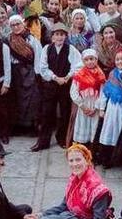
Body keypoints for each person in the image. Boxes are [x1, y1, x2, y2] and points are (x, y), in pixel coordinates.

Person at [33, 23, 82, 151]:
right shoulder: (47, 49)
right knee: (47, 113)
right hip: (51, 85)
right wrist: (55, 77)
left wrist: (67, 77)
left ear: (65, 36)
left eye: (62, 35)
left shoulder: (71, 49)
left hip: (65, 85)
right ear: (52, 37)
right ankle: (43, 141)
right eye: (57, 34)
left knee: (65, 112)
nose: (59, 37)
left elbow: (78, 66)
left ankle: (62, 138)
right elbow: (43, 67)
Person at [34, 143, 112, 219]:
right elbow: (64, 206)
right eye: (71, 161)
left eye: (78, 160)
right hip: (69, 215)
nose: (74, 164)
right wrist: (40, 215)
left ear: (87, 160)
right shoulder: (74, 179)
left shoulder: (98, 191)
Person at [97, 49, 122, 167]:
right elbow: (106, 92)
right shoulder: (112, 74)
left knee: (121, 131)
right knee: (110, 130)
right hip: (112, 107)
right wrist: (102, 108)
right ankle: (106, 158)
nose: (120, 61)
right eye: (118, 59)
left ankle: (119, 159)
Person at [8, 15, 43, 135]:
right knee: (17, 99)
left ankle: (31, 126)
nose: (16, 27)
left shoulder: (32, 39)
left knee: (31, 99)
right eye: (13, 25)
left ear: (23, 24)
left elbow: (38, 56)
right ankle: (19, 126)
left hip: (30, 72)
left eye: (18, 24)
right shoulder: (9, 40)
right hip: (15, 72)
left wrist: (38, 74)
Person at [68, 49, 105, 147]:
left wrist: (96, 107)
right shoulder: (79, 75)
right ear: (83, 61)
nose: (90, 61)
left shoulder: (100, 75)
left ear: (96, 60)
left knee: (94, 128)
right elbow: (74, 92)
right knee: (82, 126)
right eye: (87, 60)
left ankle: (92, 151)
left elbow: (102, 92)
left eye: (92, 59)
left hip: (94, 105)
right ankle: (81, 149)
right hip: (83, 105)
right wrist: (83, 106)